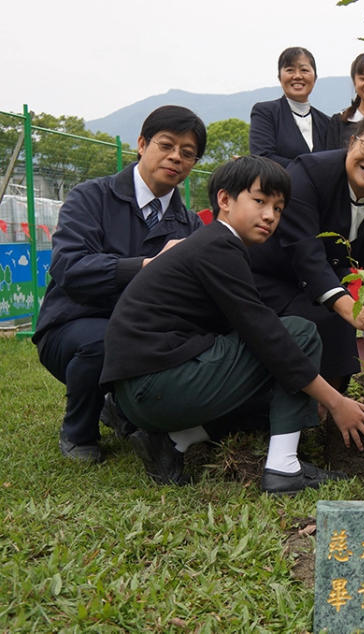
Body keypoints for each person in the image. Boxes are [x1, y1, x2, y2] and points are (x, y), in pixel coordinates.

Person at [100, 156, 364, 493]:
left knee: (281, 379)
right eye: (260, 201)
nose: (270, 216)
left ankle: (173, 442)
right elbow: (267, 335)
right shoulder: (218, 246)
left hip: (145, 390)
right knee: (298, 334)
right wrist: (337, 403)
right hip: (155, 385)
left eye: (279, 209)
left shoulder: (218, 245)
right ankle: (283, 468)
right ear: (224, 200)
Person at [33, 105, 207, 463]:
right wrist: (147, 266)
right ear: (142, 144)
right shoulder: (91, 198)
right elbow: (69, 266)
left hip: (147, 335)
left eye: (188, 154)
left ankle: (125, 412)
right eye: (166, 145)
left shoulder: (190, 226)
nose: (176, 157)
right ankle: (79, 431)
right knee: (103, 340)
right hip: (73, 327)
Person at [248, 107, 364, 397]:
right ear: (352, 142)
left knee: (338, 322)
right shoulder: (308, 172)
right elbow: (305, 251)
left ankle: (328, 414)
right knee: (328, 320)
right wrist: (349, 308)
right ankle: (297, 408)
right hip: (268, 279)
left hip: (323, 286)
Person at [249, 47, 330, 167]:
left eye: (304, 70)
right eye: (290, 70)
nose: (297, 76)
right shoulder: (265, 112)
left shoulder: (327, 122)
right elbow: (263, 157)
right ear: (279, 77)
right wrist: (311, 169)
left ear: (315, 77)